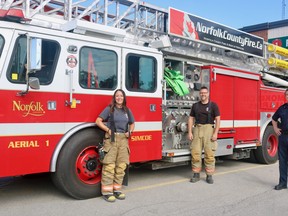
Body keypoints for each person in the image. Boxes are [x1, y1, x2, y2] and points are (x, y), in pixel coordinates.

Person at [96, 89, 135, 202]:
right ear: (114, 97)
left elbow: (132, 123)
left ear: (124, 98)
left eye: (121, 96)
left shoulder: (127, 110)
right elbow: (98, 121)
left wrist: (130, 132)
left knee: (121, 166)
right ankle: (107, 192)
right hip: (112, 139)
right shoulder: (109, 109)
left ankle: (117, 190)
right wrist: (108, 130)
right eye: (117, 96)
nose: (119, 98)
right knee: (109, 166)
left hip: (123, 139)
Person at [187, 86, 220, 184]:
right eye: (201, 93)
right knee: (195, 153)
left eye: (205, 93)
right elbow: (190, 119)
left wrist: (215, 133)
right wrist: (189, 132)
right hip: (197, 129)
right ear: (199, 94)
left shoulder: (213, 105)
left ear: (208, 94)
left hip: (209, 129)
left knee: (209, 154)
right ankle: (196, 174)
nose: (203, 94)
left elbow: (218, 119)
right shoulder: (195, 106)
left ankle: (209, 176)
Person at [272, 88, 288, 190]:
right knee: (282, 161)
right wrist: (275, 128)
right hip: (283, 137)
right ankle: (282, 183)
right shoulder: (282, 108)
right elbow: (274, 119)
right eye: (287, 95)